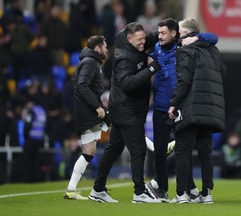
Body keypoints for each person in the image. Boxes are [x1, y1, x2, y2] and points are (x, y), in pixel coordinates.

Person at [146, 18, 218, 202]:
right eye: (159, 33)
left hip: (181, 106)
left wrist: (196, 37)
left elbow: (213, 37)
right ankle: (162, 189)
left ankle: (187, 189)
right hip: (162, 106)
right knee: (161, 151)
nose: (160, 36)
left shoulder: (183, 47)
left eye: (164, 33)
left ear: (175, 33)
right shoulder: (155, 48)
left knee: (183, 150)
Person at [89, 22, 161, 204]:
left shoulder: (135, 43)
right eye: (139, 40)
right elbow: (127, 83)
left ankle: (98, 189)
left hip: (124, 109)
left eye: (144, 38)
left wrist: (171, 26)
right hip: (126, 111)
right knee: (138, 151)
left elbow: (153, 35)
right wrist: (152, 68)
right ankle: (139, 193)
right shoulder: (123, 58)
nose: (143, 43)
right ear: (129, 39)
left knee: (113, 150)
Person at [168, 18, 225, 204]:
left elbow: (183, 80)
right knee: (205, 153)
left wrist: (174, 103)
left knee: (183, 152)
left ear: (187, 33)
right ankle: (207, 193)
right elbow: (222, 71)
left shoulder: (185, 51)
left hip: (191, 108)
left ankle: (182, 194)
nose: (178, 34)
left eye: (180, 31)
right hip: (210, 108)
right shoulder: (213, 51)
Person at [64, 35, 109, 200]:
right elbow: (82, 86)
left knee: (90, 151)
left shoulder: (91, 62)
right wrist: (97, 106)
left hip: (89, 111)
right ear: (98, 47)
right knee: (124, 125)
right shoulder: (90, 62)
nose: (106, 49)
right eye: (105, 46)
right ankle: (72, 189)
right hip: (89, 112)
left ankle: (71, 188)